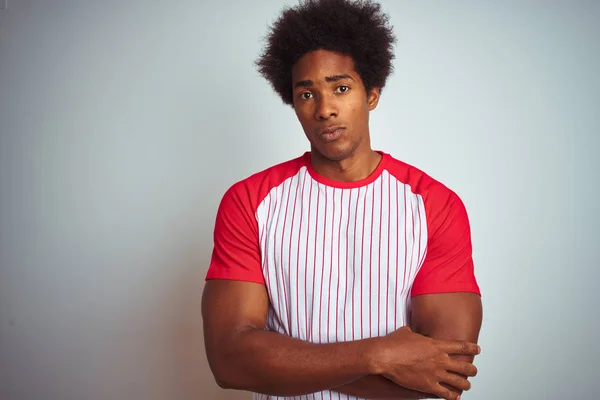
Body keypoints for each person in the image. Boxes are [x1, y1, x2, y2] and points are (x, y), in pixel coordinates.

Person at [201, 0, 483, 399]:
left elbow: (444, 377)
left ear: (372, 94)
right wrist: (380, 355)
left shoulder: (434, 205)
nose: (325, 109)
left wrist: (286, 364)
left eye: (341, 88)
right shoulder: (250, 201)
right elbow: (230, 361)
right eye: (306, 94)